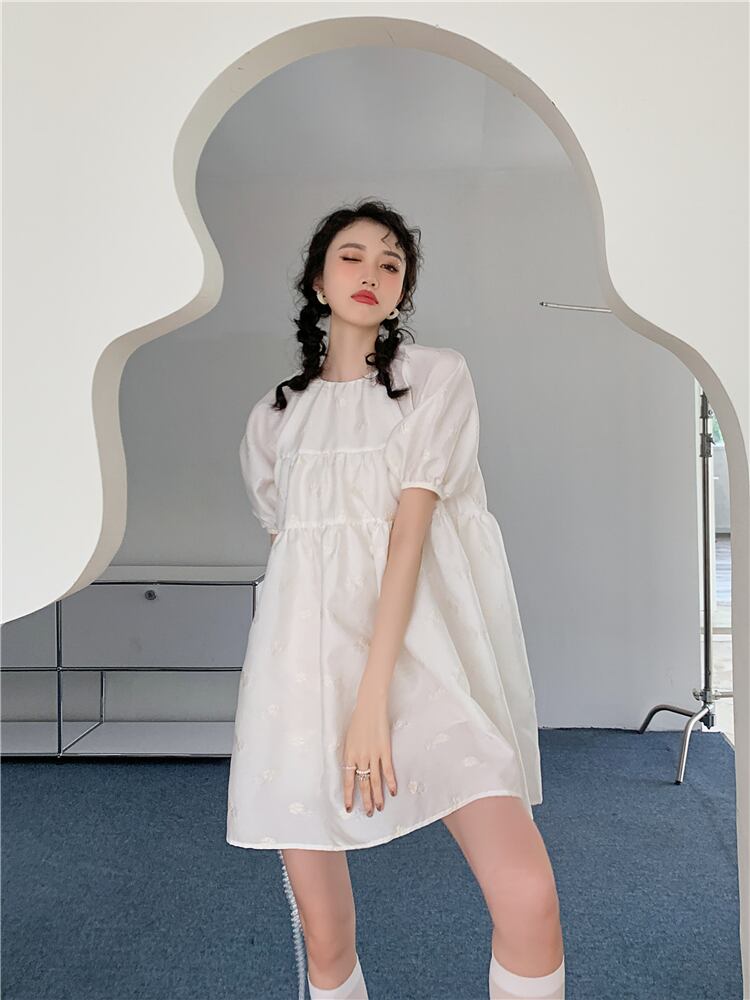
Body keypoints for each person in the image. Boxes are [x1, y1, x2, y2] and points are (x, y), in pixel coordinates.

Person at [226, 199, 565, 1000]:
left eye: (391, 263)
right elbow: (297, 564)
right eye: (352, 256)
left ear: (403, 290)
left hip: (417, 660)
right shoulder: (275, 417)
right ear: (317, 281)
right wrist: (339, 698)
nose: (371, 273)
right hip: (305, 677)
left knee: (528, 895)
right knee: (325, 938)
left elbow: (409, 535)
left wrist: (371, 699)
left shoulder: (434, 379)